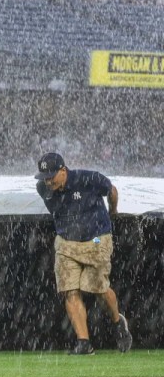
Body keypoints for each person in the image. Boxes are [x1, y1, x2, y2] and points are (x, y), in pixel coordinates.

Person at [35, 152, 133, 355]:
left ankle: (117, 322)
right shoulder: (42, 188)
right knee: (69, 290)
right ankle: (84, 343)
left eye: (52, 176)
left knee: (98, 289)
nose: (48, 181)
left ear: (64, 170)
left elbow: (111, 191)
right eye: (44, 177)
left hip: (96, 238)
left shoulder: (89, 178)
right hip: (67, 243)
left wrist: (112, 211)